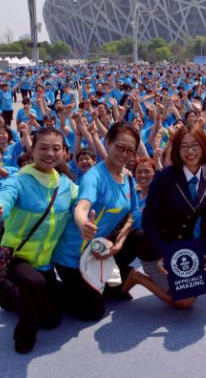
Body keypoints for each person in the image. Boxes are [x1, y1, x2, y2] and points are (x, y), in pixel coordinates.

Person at [0, 127, 78, 353]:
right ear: (32, 149)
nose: (50, 153)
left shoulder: (65, 185)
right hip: (11, 254)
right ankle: (24, 335)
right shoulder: (18, 180)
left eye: (56, 149)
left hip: (42, 261)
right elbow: (1, 202)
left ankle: (9, 293)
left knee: (52, 320)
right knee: (34, 284)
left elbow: (82, 202)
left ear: (64, 152)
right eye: (43, 148)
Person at [51, 122, 143, 320]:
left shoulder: (127, 179)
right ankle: (47, 290)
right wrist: (83, 223)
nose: (124, 154)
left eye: (130, 150)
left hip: (100, 251)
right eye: (119, 147)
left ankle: (106, 285)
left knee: (140, 237)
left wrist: (118, 244)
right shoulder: (94, 177)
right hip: (73, 256)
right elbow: (82, 206)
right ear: (107, 142)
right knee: (93, 311)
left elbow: (133, 214)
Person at [122, 125, 206, 308]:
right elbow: (148, 219)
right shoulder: (165, 177)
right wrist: (161, 253)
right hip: (156, 248)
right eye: (184, 146)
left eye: (195, 145)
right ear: (177, 150)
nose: (190, 151)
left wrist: (205, 253)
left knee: (195, 288)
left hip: (185, 247)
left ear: (204, 146)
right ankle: (137, 276)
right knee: (185, 302)